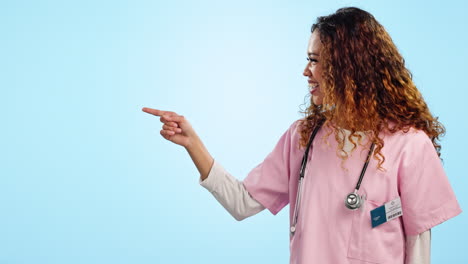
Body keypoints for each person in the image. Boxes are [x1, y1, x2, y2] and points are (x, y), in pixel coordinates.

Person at [142, 7, 461, 264]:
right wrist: (192, 142)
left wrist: (380, 214)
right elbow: (242, 203)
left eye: (314, 61)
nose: (305, 72)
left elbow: (417, 247)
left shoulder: (410, 145)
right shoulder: (303, 137)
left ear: (348, 66)